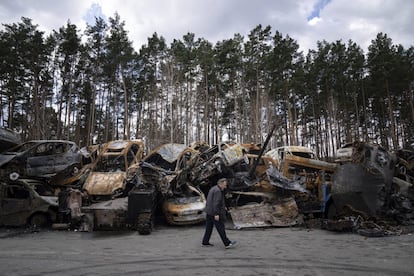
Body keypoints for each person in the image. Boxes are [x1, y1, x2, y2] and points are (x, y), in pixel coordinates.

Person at [202, 178, 237, 249]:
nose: (225, 187)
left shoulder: (213, 188)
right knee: (221, 228)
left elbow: (211, 201)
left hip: (209, 212)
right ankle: (227, 243)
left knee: (209, 228)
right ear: (220, 184)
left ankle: (205, 242)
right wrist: (216, 214)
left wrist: (223, 207)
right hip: (214, 213)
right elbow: (216, 203)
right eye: (224, 185)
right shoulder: (218, 191)